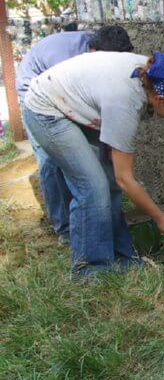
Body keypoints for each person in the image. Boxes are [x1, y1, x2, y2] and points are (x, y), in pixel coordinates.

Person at [22, 51, 164, 276]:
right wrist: (160, 218)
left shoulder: (150, 74)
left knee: (107, 182)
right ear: (158, 98)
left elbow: (117, 177)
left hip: (77, 104)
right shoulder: (125, 100)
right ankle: (91, 271)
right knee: (93, 187)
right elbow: (125, 179)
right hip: (48, 109)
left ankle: (122, 258)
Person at [16, 26, 133, 244]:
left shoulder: (112, 59)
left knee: (100, 163)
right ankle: (65, 229)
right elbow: (57, 98)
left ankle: (106, 224)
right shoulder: (68, 59)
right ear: (93, 51)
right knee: (52, 160)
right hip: (37, 93)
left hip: (72, 97)